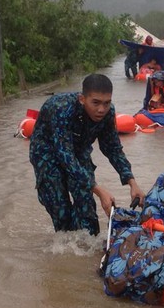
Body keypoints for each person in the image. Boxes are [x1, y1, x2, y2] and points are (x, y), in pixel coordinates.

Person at [30, 73, 145, 235]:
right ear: (82, 99)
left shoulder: (108, 113)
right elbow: (65, 157)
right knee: (60, 208)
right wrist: (99, 191)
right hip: (47, 151)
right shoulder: (61, 108)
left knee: (87, 209)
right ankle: (66, 248)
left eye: (106, 103)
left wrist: (132, 182)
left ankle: (88, 248)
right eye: (96, 103)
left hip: (79, 149)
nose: (101, 109)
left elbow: (112, 148)